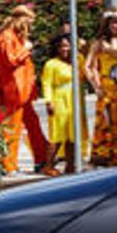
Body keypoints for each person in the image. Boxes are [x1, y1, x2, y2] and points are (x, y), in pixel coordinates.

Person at [0, 5, 48, 174]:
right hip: (14, 91)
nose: (29, 28)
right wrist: (26, 50)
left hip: (23, 91)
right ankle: (8, 164)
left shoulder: (14, 37)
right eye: (28, 23)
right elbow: (9, 61)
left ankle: (42, 159)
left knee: (33, 125)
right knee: (13, 128)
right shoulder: (6, 37)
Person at [84, 11, 117, 166]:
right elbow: (87, 66)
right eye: (112, 22)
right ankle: (108, 157)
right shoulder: (99, 42)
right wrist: (96, 86)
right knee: (107, 121)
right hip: (107, 86)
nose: (115, 26)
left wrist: (112, 52)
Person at [40, 35, 79, 175]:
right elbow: (47, 84)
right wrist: (48, 101)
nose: (65, 49)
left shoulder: (76, 60)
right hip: (59, 99)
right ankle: (48, 165)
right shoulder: (51, 64)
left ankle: (71, 165)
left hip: (74, 99)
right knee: (57, 134)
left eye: (68, 45)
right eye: (62, 46)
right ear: (56, 48)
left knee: (72, 134)